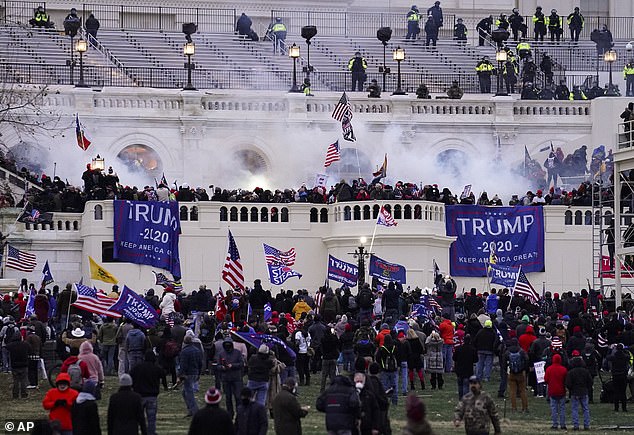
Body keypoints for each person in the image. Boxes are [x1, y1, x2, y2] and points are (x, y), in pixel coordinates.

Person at [130, 351, 164, 435]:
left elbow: (130, 376)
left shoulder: (137, 367)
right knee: (151, 418)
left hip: (139, 395)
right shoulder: (156, 368)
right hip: (152, 396)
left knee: (136, 417)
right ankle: (151, 433)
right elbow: (163, 374)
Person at [565, 354, 592, 430]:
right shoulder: (585, 371)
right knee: (585, 409)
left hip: (574, 392)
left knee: (575, 409)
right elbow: (590, 382)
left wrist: (571, 389)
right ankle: (586, 425)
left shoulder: (571, 372)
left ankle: (576, 425)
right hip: (584, 391)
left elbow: (568, 384)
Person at [179, 334, 203, 417]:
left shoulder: (184, 351)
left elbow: (183, 365)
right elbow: (200, 363)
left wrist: (181, 374)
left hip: (188, 374)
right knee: (184, 392)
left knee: (189, 393)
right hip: (195, 372)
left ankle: (194, 411)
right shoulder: (197, 350)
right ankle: (190, 409)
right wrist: (199, 373)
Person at [505, 337, 529, 412]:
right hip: (521, 373)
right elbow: (527, 360)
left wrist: (506, 370)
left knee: (512, 391)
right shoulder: (521, 351)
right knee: (522, 391)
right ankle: (525, 408)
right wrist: (525, 370)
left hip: (511, 373)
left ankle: (514, 408)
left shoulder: (507, 352)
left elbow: (503, 362)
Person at [544, 353, 567, 430]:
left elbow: (546, 379)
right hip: (561, 391)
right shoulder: (563, 369)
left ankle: (555, 424)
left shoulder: (549, 369)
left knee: (554, 409)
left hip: (552, 391)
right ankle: (563, 425)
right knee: (562, 409)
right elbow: (566, 380)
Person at [453, 334, 478, 399]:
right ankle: (465, 399)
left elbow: (454, 358)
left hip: (459, 370)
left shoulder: (458, 349)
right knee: (466, 386)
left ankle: (461, 398)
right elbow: (476, 360)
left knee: (460, 386)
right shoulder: (472, 349)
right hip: (468, 370)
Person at [606, 343, 629, 412]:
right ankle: (624, 408)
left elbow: (607, 357)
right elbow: (628, 356)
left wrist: (610, 349)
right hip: (623, 375)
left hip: (615, 375)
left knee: (616, 391)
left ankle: (616, 408)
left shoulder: (613, 357)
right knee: (623, 392)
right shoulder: (625, 357)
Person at [7, 332, 30, 399]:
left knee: (15, 381)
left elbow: (6, 347)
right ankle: (24, 394)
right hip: (24, 365)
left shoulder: (11, 345)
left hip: (14, 365)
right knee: (23, 380)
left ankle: (15, 395)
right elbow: (30, 349)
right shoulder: (25, 344)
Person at [377, 334, 399, 404]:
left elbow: (377, 358)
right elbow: (399, 356)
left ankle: (384, 400)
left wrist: (381, 365)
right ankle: (394, 401)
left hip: (384, 370)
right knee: (394, 385)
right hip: (394, 369)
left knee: (384, 386)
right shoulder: (394, 348)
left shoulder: (382, 349)